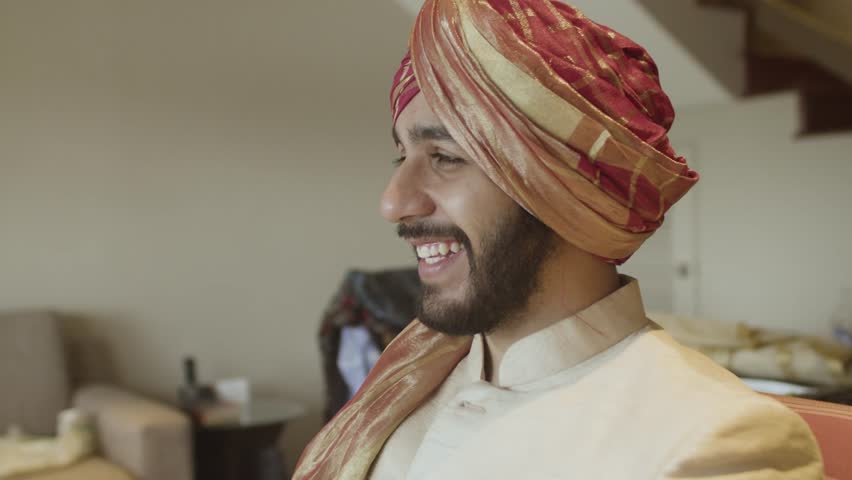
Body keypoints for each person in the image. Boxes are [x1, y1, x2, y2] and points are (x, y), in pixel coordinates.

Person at [293, 0, 823, 478]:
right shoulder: (409, 380)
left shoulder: (714, 441)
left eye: (447, 158)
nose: (394, 202)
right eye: (401, 157)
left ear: (567, 189)